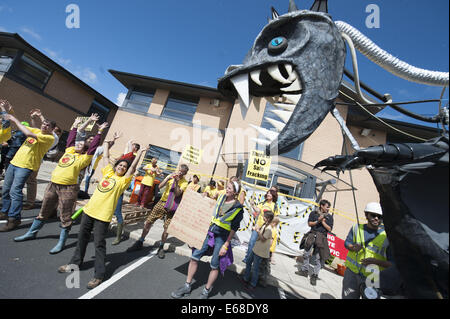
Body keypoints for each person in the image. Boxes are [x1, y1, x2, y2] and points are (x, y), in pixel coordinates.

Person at [57, 141, 147, 289]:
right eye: (120, 165)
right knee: (82, 239)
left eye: (124, 167)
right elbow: (105, 157)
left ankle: (99, 275)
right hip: (89, 211)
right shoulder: (108, 173)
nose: (122, 167)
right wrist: (106, 143)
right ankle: (74, 264)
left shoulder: (123, 181)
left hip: (102, 216)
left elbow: (133, 167)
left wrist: (141, 153)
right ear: (116, 165)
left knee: (99, 244)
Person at [14, 119, 108, 254]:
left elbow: (93, 147)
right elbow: (71, 139)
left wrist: (99, 132)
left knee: (65, 215)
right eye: (78, 142)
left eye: (81, 144)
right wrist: (75, 126)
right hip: (53, 184)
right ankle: (31, 232)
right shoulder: (69, 151)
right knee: (44, 210)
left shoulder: (84, 158)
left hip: (68, 188)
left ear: (84, 149)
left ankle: (61, 242)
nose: (78, 143)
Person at [171, 180, 244, 299]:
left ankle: (206, 291)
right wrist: (205, 196)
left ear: (235, 192)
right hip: (208, 233)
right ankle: (187, 286)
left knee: (214, 265)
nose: (227, 189)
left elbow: (234, 228)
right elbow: (211, 205)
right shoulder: (221, 197)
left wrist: (226, 245)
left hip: (222, 237)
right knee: (194, 257)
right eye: (227, 187)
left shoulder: (238, 208)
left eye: (230, 188)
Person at [0, 107, 55, 232]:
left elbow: (28, 133)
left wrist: (14, 119)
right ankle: (4, 212)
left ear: (52, 130)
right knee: (6, 189)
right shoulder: (38, 130)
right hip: (15, 163)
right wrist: (32, 118)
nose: (45, 126)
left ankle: (14, 219)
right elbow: (30, 128)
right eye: (44, 124)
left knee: (15, 191)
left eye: (48, 126)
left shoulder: (50, 138)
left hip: (26, 166)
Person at [126, 164, 190, 258]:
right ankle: (140, 241)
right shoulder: (171, 176)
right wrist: (167, 179)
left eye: (182, 172)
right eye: (179, 171)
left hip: (172, 206)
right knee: (148, 222)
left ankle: (161, 247)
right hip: (162, 202)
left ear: (185, 174)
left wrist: (176, 183)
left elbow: (177, 194)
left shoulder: (184, 182)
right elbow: (159, 187)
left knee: (167, 229)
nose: (180, 173)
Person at [342, 202, 397, 299]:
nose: (376, 218)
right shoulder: (356, 228)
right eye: (373, 215)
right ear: (366, 215)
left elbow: (393, 264)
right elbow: (347, 243)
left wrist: (376, 262)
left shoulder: (387, 238)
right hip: (352, 273)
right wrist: (352, 247)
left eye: (379, 216)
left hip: (373, 277)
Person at [24, 109, 63, 210]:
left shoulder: (54, 138)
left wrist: (41, 116)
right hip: (27, 158)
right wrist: (33, 118)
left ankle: (30, 202)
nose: (45, 127)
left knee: (31, 181)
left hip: (35, 160)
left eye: (50, 127)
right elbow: (34, 128)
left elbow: (44, 126)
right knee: (25, 180)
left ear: (56, 132)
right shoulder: (45, 134)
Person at [296, 199, 333, 286]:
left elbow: (329, 229)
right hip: (312, 235)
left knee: (318, 258)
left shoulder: (329, 217)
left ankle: (315, 275)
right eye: (327, 207)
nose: (328, 209)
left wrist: (322, 222)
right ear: (321, 206)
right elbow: (309, 224)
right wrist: (317, 221)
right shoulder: (314, 213)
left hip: (322, 238)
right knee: (306, 253)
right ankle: (305, 270)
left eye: (329, 208)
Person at [111, 139, 141, 245]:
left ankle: (118, 236)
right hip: (112, 186)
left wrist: (128, 145)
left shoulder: (131, 156)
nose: (122, 166)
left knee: (118, 211)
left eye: (132, 146)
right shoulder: (128, 155)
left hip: (120, 187)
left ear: (135, 148)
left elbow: (128, 160)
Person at [241, 210, 274, 290]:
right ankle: (246, 278)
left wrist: (257, 231)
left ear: (268, 218)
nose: (263, 217)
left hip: (260, 251)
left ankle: (253, 284)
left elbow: (263, 239)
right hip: (256, 248)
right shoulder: (265, 225)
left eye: (264, 216)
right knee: (248, 262)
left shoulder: (269, 229)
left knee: (255, 268)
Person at [244, 188, 279, 263]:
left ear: (273, 196)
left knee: (259, 246)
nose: (268, 194)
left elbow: (276, 219)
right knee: (251, 242)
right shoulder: (263, 203)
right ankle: (247, 258)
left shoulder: (275, 206)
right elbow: (257, 210)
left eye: (270, 193)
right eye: (267, 193)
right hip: (258, 226)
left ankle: (256, 262)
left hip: (266, 229)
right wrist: (253, 205)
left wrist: (271, 228)